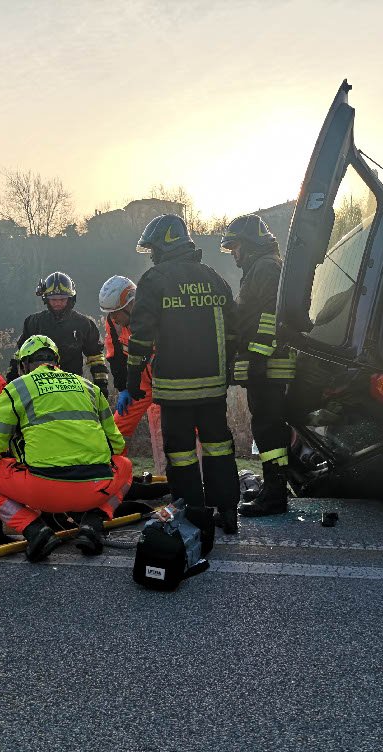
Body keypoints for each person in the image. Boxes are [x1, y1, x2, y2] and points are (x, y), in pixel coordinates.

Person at [121, 214, 241, 532]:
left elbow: (142, 335)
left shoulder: (154, 280)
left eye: (153, 250)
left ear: (163, 246)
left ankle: (191, 513)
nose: (152, 256)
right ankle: (227, 510)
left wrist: (132, 378)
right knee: (219, 446)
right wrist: (226, 369)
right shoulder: (214, 277)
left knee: (182, 453)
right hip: (214, 387)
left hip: (175, 389)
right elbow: (233, 332)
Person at [0, 335, 132, 562]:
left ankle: (34, 530)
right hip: (95, 490)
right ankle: (94, 523)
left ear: (24, 364)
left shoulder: (17, 388)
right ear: (57, 361)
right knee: (126, 466)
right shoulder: (89, 387)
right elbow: (117, 445)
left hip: (43, 492)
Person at [221, 215, 297, 517]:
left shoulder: (266, 268)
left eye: (235, 246)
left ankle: (275, 495)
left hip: (268, 366)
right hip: (264, 364)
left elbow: (269, 317)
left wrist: (256, 358)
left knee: (269, 428)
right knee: (267, 428)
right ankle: (272, 487)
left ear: (250, 244)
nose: (234, 253)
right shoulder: (261, 267)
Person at [11, 272, 108, 395]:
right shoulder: (34, 323)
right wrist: (11, 383)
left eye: (62, 299)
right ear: (46, 299)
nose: (58, 303)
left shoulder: (84, 324)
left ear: (70, 298)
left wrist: (101, 387)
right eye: (53, 299)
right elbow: (19, 355)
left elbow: (96, 357)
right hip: (39, 389)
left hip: (72, 388)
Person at [100, 276, 162, 448]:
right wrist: (123, 388)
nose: (113, 317)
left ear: (130, 304)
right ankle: (113, 471)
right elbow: (115, 355)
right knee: (116, 431)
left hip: (165, 383)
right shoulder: (113, 323)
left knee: (168, 431)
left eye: (116, 311)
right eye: (110, 313)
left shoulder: (154, 316)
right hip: (138, 384)